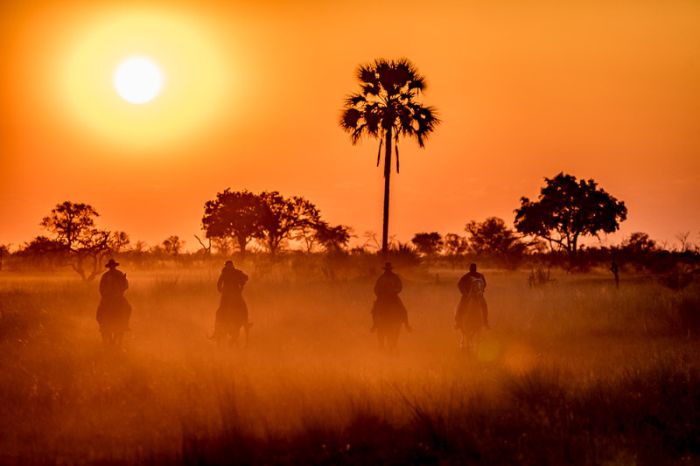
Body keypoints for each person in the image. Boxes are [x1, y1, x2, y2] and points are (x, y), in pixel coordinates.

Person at [371, 262, 411, 349]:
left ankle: (407, 325)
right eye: (386, 269)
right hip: (382, 297)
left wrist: (395, 291)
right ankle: (375, 324)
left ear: (390, 269)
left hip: (393, 296)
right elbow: (376, 288)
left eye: (388, 269)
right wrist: (380, 294)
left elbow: (400, 287)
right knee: (375, 310)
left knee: (403, 309)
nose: (387, 271)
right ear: (385, 269)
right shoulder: (381, 278)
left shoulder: (395, 277)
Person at [96, 258, 131, 348]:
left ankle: (125, 323)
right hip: (107, 297)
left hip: (118, 296)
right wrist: (105, 294)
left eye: (113, 266)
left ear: (114, 266)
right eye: (110, 266)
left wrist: (120, 291)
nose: (112, 267)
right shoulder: (105, 276)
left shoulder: (120, 274)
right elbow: (101, 287)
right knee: (99, 311)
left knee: (128, 307)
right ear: (109, 267)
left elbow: (126, 285)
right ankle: (102, 325)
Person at [213, 260, 250, 346]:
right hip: (225, 296)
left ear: (233, 266)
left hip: (236, 294)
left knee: (243, 306)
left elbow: (246, 277)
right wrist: (221, 290)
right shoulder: (223, 274)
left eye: (230, 265)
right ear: (226, 266)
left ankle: (245, 321)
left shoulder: (237, 272)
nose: (229, 267)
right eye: (228, 265)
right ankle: (218, 325)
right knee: (219, 311)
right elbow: (218, 284)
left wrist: (242, 282)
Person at [455, 263, 489, 331]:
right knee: (461, 306)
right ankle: (458, 322)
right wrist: (464, 293)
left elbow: (484, 283)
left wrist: (481, 290)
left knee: (484, 305)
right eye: (472, 268)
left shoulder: (480, 276)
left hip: (478, 295)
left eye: (474, 268)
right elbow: (459, 284)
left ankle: (485, 322)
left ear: (475, 268)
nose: (473, 269)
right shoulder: (466, 276)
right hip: (467, 295)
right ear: (470, 269)